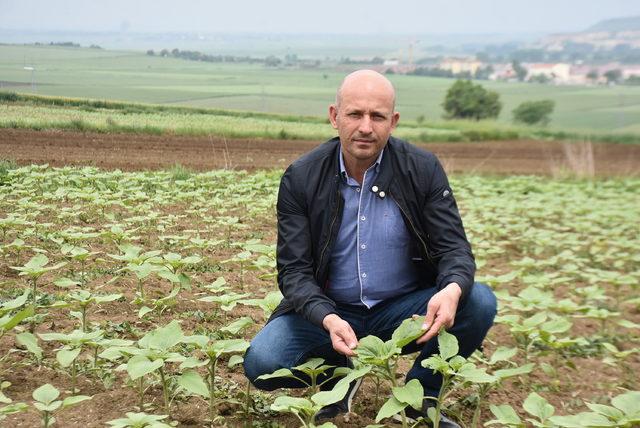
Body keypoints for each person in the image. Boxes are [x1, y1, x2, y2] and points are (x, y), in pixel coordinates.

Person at [243, 70, 497, 427]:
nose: (365, 127)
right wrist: (327, 318)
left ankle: (420, 398)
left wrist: (452, 289)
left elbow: (454, 248)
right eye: (355, 114)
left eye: (377, 116)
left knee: (478, 300)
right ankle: (340, 374)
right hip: (330, 313)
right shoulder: (301, 177)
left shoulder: (421, 169)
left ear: (392, 122)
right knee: (262, 363)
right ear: (334, 116)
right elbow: (294, 271)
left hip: (401, 311)